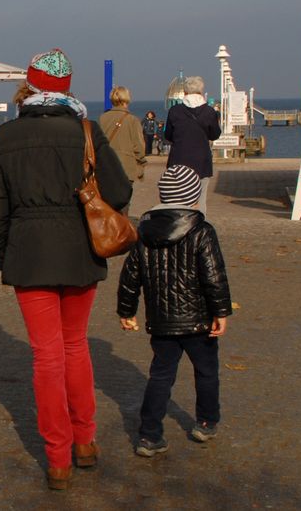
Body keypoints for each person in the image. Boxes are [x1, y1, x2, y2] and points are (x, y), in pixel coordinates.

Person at [0, 49, 132, 491]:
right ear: (66, 88)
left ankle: (57, 459)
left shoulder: (7, 137)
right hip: (79, 253)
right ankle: (84, 441)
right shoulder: (85, 131)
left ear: (28, 87)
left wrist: (2, 257)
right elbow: (121, 189)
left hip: (28, 255)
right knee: (75, 347)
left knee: (46, 355)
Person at [117, 164, 233, 457]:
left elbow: (131, 277)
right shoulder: (202, 231)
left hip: (162, 319)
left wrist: (127, 310)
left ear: (162, 195)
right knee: (206, 371)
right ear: (194, 198)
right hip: (199, 320)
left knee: (161, 375)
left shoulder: (144, 232)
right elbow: (214, 276)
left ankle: (149, 435)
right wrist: (221, 312)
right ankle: (206, 422)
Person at [163, 76, 221, 213]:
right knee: (200, 200)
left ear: (185, 92)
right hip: (201, 162)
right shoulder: (209, 112)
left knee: (176, 199)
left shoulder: (175, 111)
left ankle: (177, 226)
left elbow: (168, 135)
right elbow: (215, 134)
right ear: (201, 91)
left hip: (178, 161)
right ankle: (198, 228)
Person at [97, 86, 147, 183]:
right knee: (123, 196)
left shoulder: (102, 118)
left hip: (105, 165)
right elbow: (139, 146)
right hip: (126, 167)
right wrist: (142, 163)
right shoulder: (132, 120)